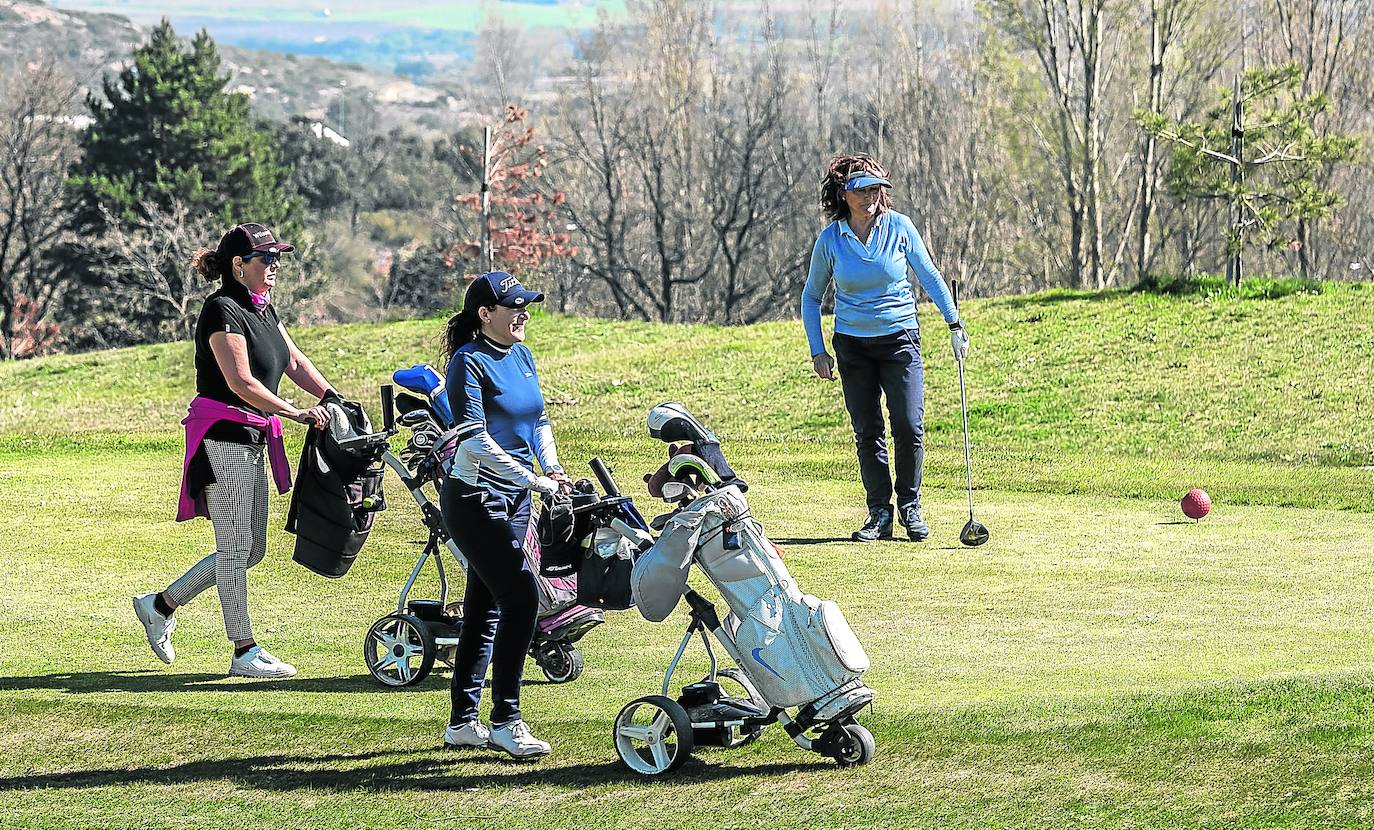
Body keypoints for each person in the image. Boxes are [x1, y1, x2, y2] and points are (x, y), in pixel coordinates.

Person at [133, 223, 335, 679]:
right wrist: (297, 413)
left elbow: (296, 362)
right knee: (234, 547)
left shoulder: (264, 310)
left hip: (253, 438)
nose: (275, 267)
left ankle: (159, 604)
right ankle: (244, 650)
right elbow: (241, 382)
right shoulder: (221, 309)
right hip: (222, 438)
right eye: (267, 260)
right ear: (238, 266)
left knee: (251, 549)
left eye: (277, 259)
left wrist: (332, 398)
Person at [801, 154, 969, 543]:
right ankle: (879, 512)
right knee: (868, 430)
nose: (872, 196)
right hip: (853, 346)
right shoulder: (831, 240)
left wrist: (954, 322)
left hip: (900, 340)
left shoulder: (901, 228)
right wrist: (818, 350)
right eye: (863, 190)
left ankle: (911, 507)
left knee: (909, 425)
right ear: (845, 194)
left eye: (878, 189)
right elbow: (811, 297)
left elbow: (930, 275)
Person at [438, 271, 571, 760]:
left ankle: (462, 724)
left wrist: (551, 467)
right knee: (520, 598)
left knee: (485, 605)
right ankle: (506, 720)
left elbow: (538, 420)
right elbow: (476, 439)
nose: (524, 314)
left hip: (515, 501)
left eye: (526, 305)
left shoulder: (520, 353)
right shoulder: (466, 362)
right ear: (484, 315)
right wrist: (534, 481)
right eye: (514, 306)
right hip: (475, 501)